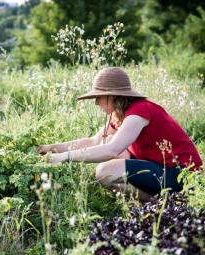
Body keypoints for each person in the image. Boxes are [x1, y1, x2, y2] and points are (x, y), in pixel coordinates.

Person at [37, 67, 202, 201]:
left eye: (99, 97)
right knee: (106, 140)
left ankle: (159, 205)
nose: (95, 103)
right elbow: (93, 141)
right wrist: (54, 148)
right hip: (159, 167)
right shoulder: (119, 115)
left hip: (182, 175)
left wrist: (64, 158)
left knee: (105, 172)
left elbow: (111, 150)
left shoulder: (140, 111)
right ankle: (158, 202)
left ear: (113, 95)